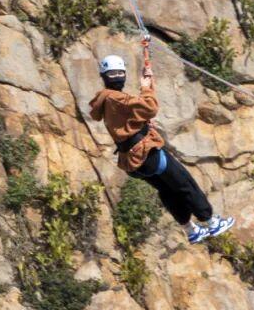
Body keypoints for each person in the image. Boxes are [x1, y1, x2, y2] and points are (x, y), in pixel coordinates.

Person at [89, 50, 235, 244]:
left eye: (119, 73)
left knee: (168, 190)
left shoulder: (105, 100)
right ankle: (210, 222)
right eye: (114, 74)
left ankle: (190, 230)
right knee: (185, 183)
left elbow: (131, 119)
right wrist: (146, 88)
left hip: (132, 162)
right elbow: (150, 108)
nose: (117, 77)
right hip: (147, 154)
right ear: (105, 76)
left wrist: (144, 116)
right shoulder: (116, 98)